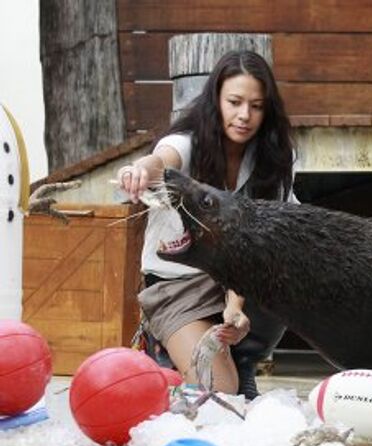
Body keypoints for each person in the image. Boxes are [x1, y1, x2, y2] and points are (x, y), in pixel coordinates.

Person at [117, 50, 297, 399]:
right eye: (234, 102)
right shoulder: (187, 145)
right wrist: (138, 171)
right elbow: (160, 162)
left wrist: (235, 308)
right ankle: (168, 344)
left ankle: (245, 358)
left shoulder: (273, 160)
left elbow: (256, 246)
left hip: (236, 276)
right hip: (178, 288)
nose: (244, 115)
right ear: (216, 100)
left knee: (291, 259)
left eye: (257, 106)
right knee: (220, 398)